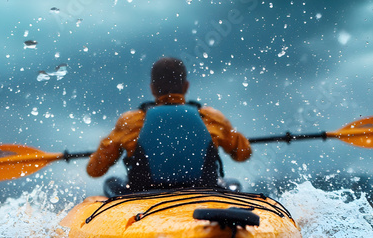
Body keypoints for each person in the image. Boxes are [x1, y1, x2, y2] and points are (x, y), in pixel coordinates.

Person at [86, 57, 251, 196]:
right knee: (231, 184)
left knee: (112, 183)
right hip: (204, 190)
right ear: (186, 86)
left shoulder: (131, 121)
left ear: (152, 88)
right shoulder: (211, 117)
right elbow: (243, 153)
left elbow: (95, 169)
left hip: (144, 193)